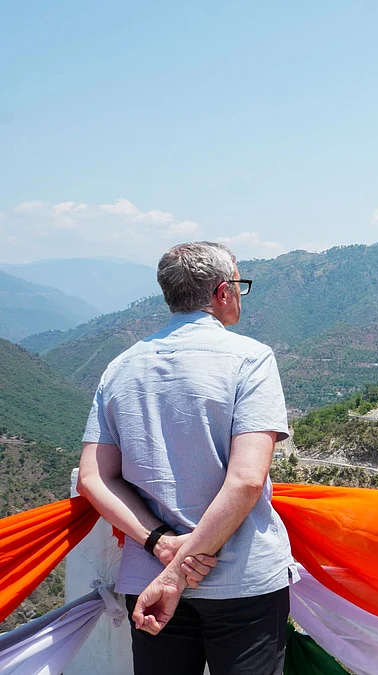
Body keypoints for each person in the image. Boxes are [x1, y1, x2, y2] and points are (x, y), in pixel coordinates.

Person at [77, 241, 295, 675]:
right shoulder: (250, 358)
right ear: (223, 291)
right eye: (239, 284)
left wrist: (161, 545)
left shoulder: (120, 366)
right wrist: (180, 571)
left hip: (147, 578)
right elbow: (248, 480)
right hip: (242, 580)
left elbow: (94, 479)